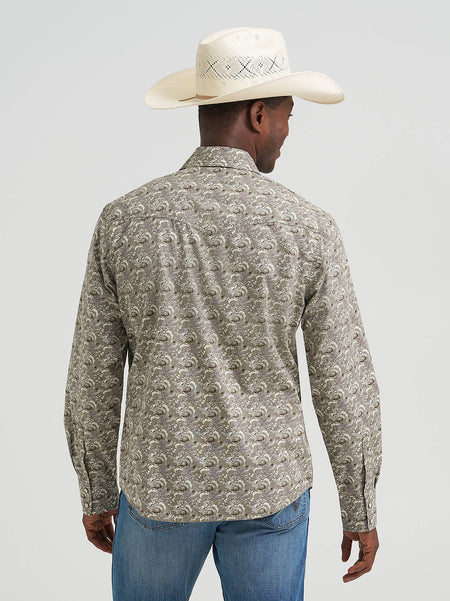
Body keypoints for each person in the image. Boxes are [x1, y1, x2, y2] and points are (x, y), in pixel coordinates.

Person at [64, 27, 382, 600]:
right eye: (286, 115)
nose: (288, 131)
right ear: (258, 115)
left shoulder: (125, 221)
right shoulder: (308, 229)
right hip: (269, 486)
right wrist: (359, 505)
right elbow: (344, 379)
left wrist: (95, 488)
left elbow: (93, 376)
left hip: (161, 488)